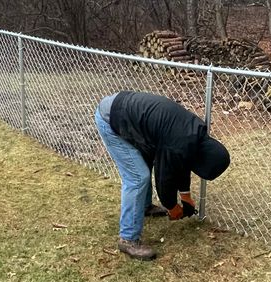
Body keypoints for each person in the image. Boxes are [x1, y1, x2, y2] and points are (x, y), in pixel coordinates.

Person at [95, 91, 231, 260]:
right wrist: (172, 207)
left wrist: (185, 196)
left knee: (143, 166)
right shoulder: (178, 143)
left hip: (126, 112)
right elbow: (164, 178)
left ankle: (144, 207)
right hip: (110, 119)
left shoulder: (196, 135)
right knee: (138, 177)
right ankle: (128, 239)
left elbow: (182, 162)